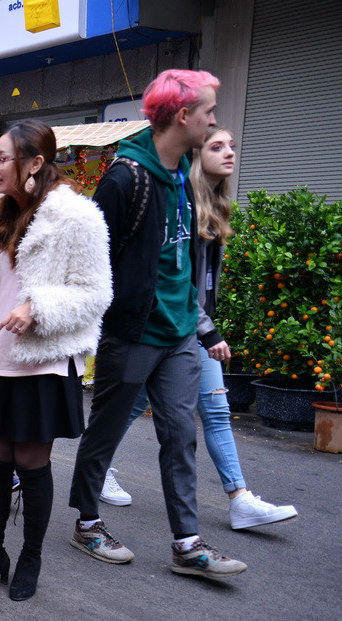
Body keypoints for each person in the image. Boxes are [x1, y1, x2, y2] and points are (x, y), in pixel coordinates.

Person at [68, 69, 248, 580]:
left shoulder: (184, 173)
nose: (214, 120)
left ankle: (187, 544)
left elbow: (183, 261)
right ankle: (87, 523)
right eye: (209, 111)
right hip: (133, 333)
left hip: (180, 334)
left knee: (180, 436)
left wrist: (201, 326)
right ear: (183, 116)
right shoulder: (125, 177)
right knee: (105, 430)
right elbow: (92, 260)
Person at [102, 128, 297, 529]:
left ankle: (238, 499)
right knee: (133, 407)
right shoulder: (177, 200)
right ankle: (98, 473)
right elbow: (173, 281)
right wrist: (208, 330)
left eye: (232, 146)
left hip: (190, 328)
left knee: (213, 411)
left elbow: (200, 284)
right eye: (216, 146)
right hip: (165, 327)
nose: (229, 153)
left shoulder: (214, 203)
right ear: (195, 155)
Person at [0, 121, 111, 601]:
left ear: (36, 163)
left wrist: (37, 307)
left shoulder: (76, 216)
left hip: (42, 358)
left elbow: (96, 293)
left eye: (2, 158)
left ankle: (30, 558)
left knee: (30, 461)